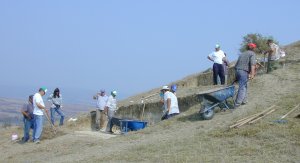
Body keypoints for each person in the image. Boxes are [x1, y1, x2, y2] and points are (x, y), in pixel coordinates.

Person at [234, 43, 257, 107]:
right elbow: (253, 65)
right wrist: (252, 74)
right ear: (253, 48)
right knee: (242, 87)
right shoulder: (252, 54)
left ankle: (244, 100)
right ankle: (237, 104)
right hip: (243, 71)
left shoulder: (242, 54)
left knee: (245, 85)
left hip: (237, 70)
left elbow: (237, 64)